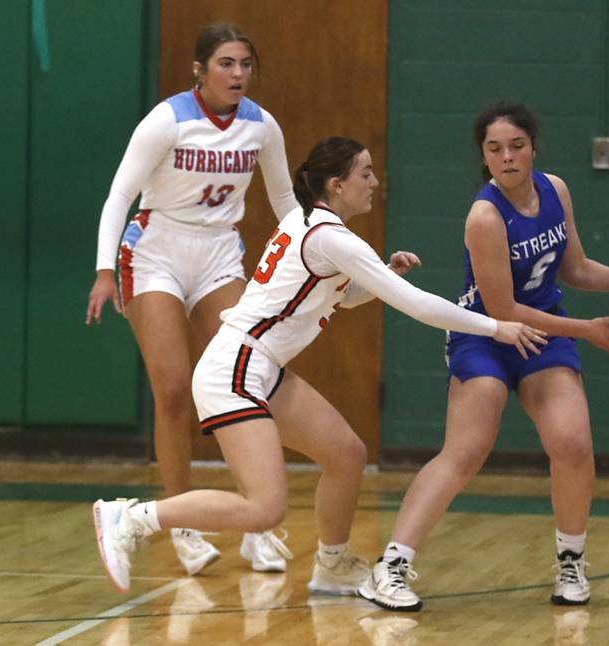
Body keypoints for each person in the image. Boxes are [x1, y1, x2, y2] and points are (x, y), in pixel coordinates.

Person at [91, 136, 546, 594]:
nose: (374, 181)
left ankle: (332, 566)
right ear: (337, 184)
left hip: (258, 366)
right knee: (264, 508)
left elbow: (341, 298)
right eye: (365, 173)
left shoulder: (309, 224)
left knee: (346, 455)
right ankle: (131, 517)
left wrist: (383, 274)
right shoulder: (331, 237)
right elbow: (419, 306)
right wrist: (495, 327)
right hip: (235, 370)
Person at [358, 102, 609, 611]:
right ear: (483, 159)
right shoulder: (484, 217)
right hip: (486, 331)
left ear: (533, 147)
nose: (507, 156)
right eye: (495, 149)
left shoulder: (555, 191)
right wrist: (589, 330)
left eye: (516, 145)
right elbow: (505, 308)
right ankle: (392, 566)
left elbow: (574, 268)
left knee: (573, 443)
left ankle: (570, 561)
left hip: (544, 331)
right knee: (467, 449)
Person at [85, 23, 300, 576]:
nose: (238, 74)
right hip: (155, 249)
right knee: (175, 388)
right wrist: (104, 270)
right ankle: (180, 520)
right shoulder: (168, 119)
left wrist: (318, 253)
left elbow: (283, 201)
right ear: (200, 70)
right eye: (226, 63)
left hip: (218, 253)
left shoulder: (261, 126)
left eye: (245, 64)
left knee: (250, 372)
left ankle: (258, 520)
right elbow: (119, 195)